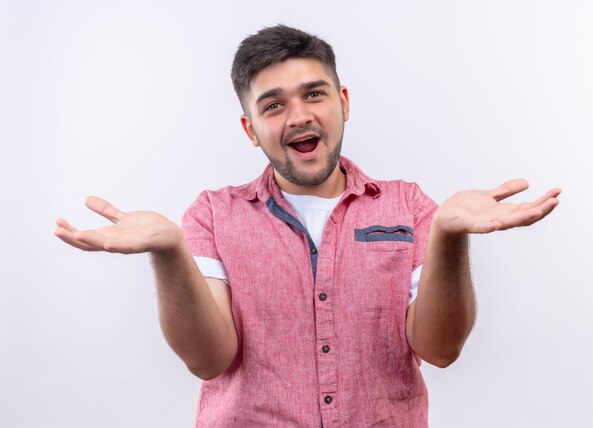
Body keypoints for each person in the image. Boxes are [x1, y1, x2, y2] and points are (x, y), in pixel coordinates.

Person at [55, 25, 560, 427]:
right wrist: (167, 251)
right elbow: (211, 360)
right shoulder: (212, 215)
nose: (298, 116)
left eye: (313, 94)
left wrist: (450, 235)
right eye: (273, 105)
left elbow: (440, 350)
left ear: (342, 102)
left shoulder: (408, 206)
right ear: (251, 130)